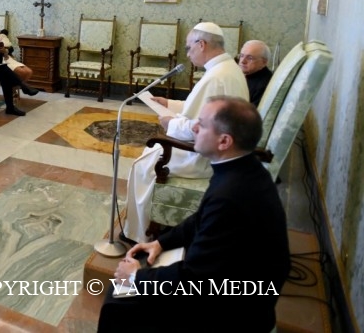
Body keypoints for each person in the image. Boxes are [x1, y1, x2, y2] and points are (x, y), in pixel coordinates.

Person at [98, 97, 290, 333]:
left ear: (224, 141)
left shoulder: (230, 195)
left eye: (202, 124)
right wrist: (161, 242)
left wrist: (137, 277)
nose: (195, 128)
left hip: (235, 311)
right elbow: (201, 218)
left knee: (117, 301)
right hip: (231, 286)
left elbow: (195, 279)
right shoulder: (241, 169)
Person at [122, 22, 249, 244]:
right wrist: (169, 103)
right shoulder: (227, 69)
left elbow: (200, 129)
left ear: (202, 44)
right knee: (148, 156)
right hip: (220, 148)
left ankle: (140, 234)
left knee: (143, 165)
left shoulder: (216, 77)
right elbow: (203, 110)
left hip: (203, 156)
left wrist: (170, 123)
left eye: (189, 48)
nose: (188, 54)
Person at [0, 18, 33, 82]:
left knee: (29, 71)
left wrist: (5, 50)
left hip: (6, 57)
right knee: (22, 72)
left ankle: (19, 85)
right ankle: (19, 85)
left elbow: (11, 48)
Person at [238, 40, 273, 107]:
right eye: (241, 56)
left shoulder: (264, 85)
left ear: (264, 62)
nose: (243, 61)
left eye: (250, 58)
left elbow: (250, 111)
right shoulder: (247, 74)